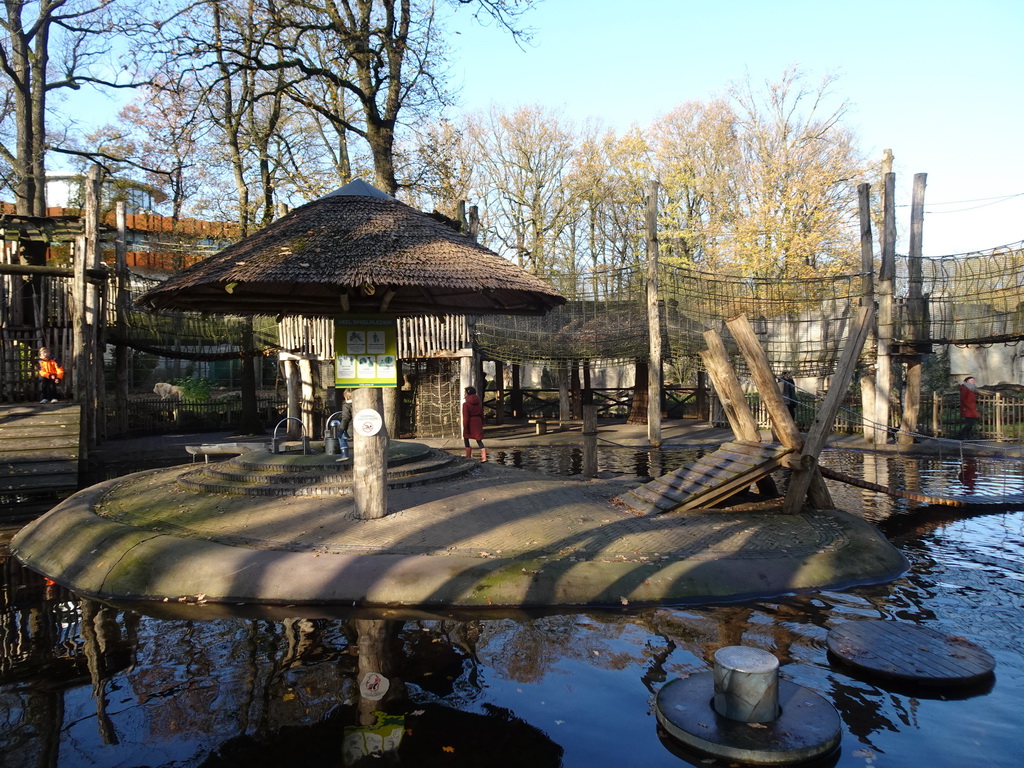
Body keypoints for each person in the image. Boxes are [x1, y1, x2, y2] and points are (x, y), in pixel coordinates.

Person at [462, 386, 487, 461]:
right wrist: (482, 422)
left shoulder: (466, 404)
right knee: (479, 439)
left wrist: (465, 426)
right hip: (478, 421)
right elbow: (481, 414)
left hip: (470, 422)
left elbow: (466, 417)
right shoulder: (478, 403)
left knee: (466, 437)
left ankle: (468, 456)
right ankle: (484, 457)